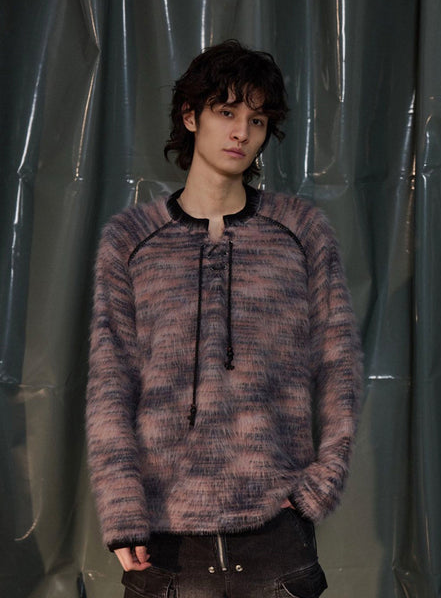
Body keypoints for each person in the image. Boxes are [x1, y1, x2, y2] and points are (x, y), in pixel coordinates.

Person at [86, 39, 362, 598]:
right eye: (227, 112)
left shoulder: (302, 231)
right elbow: (111, 382)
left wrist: (321, 482)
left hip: (276, 540)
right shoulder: (130, 239)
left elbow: (340, 365)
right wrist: (120, 508)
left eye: (257, 120)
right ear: (191, 116)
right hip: (163, 544)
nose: (241, 132)